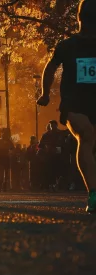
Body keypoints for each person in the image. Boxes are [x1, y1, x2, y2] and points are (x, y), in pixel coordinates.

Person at [37, 0, 96, 212]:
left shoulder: (66, 45)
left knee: (88, 141)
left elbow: (50, 69)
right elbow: (50, 68)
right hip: (74, 103)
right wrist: (44, 93)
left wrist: (45, 94)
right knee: (87, 136)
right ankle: (93, 194)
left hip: (85, 102)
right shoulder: (67, 46)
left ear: (78, 17)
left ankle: (93, 192)